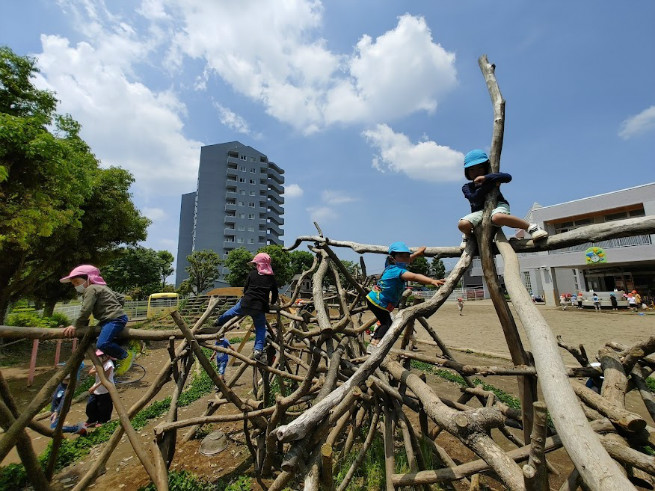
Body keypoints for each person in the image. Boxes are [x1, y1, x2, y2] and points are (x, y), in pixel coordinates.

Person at [458, 150, 548, 249]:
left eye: (480, 168)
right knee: (463, 224)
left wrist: (486, 178)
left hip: (498, 205)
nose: (476, 172)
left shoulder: (491, 178)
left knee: (497, 217)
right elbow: (474, 198)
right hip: (479, 212)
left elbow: (507, 177)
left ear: (486, 167)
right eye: (472, 169)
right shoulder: (467, 187)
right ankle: (468, 236)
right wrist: (490, 185)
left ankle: (531, 227)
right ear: (467, 172)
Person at [366, 242, 445, 352]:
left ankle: (374, 341)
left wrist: (417, 253)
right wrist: (431, 280)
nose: (405, 258)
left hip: (373, 298)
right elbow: (415, 276)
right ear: (393, 258)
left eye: (406, 255)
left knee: (385, 321)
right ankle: (374, 344)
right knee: (387, 323)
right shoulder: (399, 271)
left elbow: (407, 260)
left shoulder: (389, 266)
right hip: (379, 301)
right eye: (401, 256)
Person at [214, 253, 278, 363]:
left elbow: (246, 288)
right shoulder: (271, 278)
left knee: (232, 311)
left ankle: (219, 321)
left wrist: (246, 294)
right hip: (259, 307)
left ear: (258, 265)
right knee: (260, 329)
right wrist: (271, 303)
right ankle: (258, 350)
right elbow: (275, 293)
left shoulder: (252, 274)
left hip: (246, 302)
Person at [60, 265, 129, 362]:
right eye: (73, 284)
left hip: (114, 319)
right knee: (95, 337)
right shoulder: (103, 287)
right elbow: (120, 298)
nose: (76, 286)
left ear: (89, 278)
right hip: (111, 318)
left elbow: (86, 309)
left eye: (77, 282)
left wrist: (76, 325)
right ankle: (114, 352)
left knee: (102, 344)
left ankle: (125, 356)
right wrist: (116, 309)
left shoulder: (91, 288)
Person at [50, 370, 87, 435]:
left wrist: (57, 412)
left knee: (54, 427)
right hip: (54, 410)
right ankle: (61, 439)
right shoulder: (60, 385)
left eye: (67, 380)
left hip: (60, 410)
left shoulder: (67, 389)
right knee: (56, 426)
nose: (65, 381)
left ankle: (78, 429)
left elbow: (63, 401)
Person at [86, 350, 115, 427]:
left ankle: (103, 421)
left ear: (107, 356)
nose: (100, 358)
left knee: (104, 407)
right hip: (97, 388)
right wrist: (98, 368)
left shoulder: (109, 364)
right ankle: (92, 420)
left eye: (101, 356)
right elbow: (90, 372)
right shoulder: (98, 363)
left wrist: (94, 387)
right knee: (91, 406)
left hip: (105, 389)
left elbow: (105, 379)